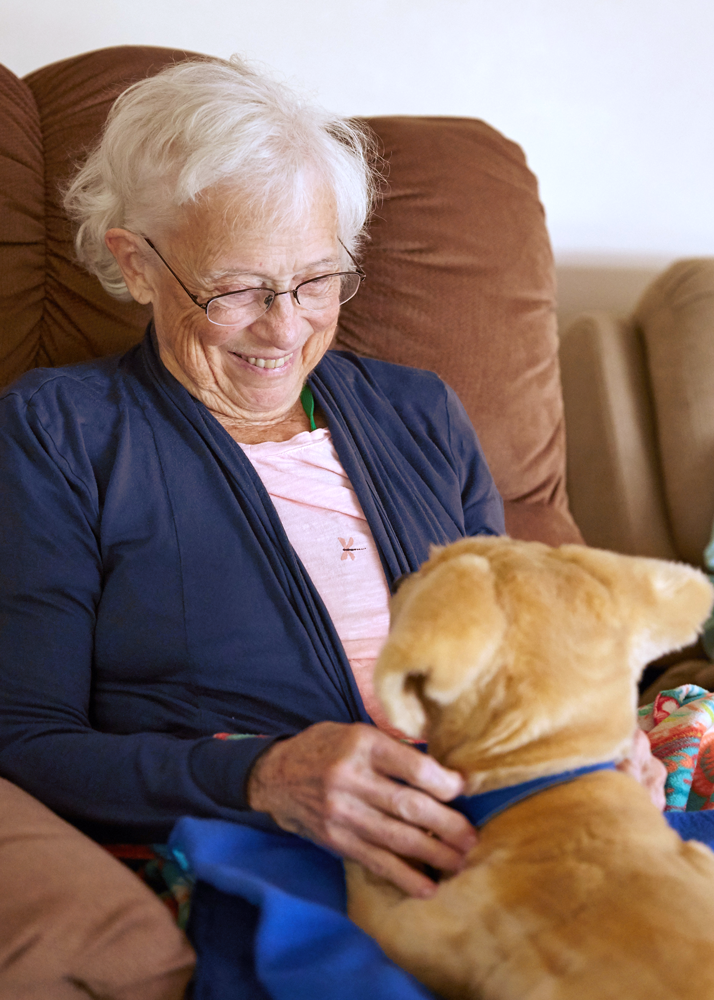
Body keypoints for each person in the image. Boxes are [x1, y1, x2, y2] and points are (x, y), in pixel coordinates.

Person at [0, 56, 663, 907]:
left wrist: (599, 735)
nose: (285, 327)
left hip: (505, 823)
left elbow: (522, 662)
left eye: (317, 279)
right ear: (136, 265)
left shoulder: (418, 411)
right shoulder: (60, 433)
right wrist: (264, 775)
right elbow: (24, 739)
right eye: (238, 288)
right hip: (275, 860)